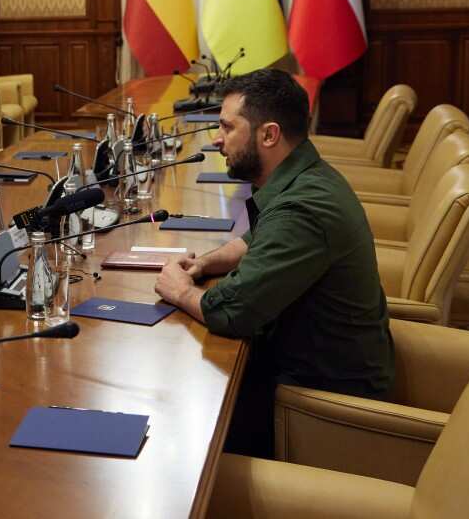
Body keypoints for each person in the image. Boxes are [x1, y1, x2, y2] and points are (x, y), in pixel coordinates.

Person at [154, 68, 394, 458]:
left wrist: (180, 291)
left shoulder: (303, 208)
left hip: (320, 402)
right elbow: (257, 240)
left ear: (269, 135)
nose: (217, 140)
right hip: (300, 366)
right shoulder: (303, 176)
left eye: (227, 128)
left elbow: (233, 311)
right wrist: (206, 264)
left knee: (179, 431)